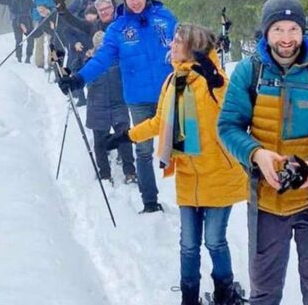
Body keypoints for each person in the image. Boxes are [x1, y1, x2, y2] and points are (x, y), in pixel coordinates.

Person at [216, 0, 308, 305]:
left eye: (292, 29)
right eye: (278, 29)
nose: (286, 38)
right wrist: (256, 153)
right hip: (266, 200)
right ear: (267, 32)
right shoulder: (249, 71)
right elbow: (227, 126)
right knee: (264, 294)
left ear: (302, 31)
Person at [105, 24, 246, 304]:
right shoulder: (173, 81)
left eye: (179, 41)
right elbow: (161, 121)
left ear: (194, 47)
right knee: (189, 246)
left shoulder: (215, 81)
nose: (172, 44)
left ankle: (225, 294)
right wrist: (126, 137)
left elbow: (236, 118)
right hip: (188, 174)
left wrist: (215, 79)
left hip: (218, 173)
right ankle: (189, 297)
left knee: (215, 241)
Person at [58, 0, 178, 214]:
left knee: (181, 145)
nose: (135, 2)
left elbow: (187, 45)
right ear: (124, 1)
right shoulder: (118, 29)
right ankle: (150, 201)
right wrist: (79, 79)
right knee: (143, 149)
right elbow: (102, 59)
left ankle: (190, 200)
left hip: (170, 93)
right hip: (139, 99)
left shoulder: (165, 18)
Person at [84, 30, 137, 184]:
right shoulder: (91, 63)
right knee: (110, 141)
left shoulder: (117, 60)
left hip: (113, 106)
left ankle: (117, 173)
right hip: (101, 108)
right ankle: (115, 173)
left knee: (117, 140)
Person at [11, 0, 74, 68]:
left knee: (52, 40)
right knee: (39, 40)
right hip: (39, 17)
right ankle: (39, 62)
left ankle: (51, 62)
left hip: (51, 16)